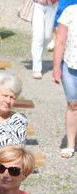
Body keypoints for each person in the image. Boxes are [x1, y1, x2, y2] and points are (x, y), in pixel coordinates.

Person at [53, 3, 77, 158]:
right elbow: (60, 40)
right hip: (70, 65)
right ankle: (70, 144)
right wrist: (56, 67)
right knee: (73, 105)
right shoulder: (69, 11)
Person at [31, 0, 58, 80]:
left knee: (46, 36)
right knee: (38, 36)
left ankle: (37, 55)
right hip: (38, 4)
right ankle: (37, 68)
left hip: (52, 5)